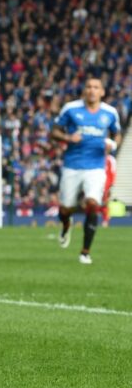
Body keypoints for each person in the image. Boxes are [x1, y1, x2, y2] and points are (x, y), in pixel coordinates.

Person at [51, 78, 121, 264]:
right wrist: (67, 137)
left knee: (92, 203)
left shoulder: (110, 113)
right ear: (84, 90)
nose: (92, 90)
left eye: (96, 87)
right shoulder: (71, 109)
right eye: (89, 86)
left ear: (102, 92)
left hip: (96, 167)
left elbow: (117, 133)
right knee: (66, 208)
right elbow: (54, 132)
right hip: (72, 165)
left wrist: (112, 143)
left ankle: (85, 252)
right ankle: (66, 225)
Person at [99, 153, 117, 227]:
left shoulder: (111, 159)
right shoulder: (97, 157)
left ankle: (105, 220)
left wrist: (112, 184)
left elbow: (113, 171)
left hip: (106, 183)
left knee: (105, 202)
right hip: (96, 182)